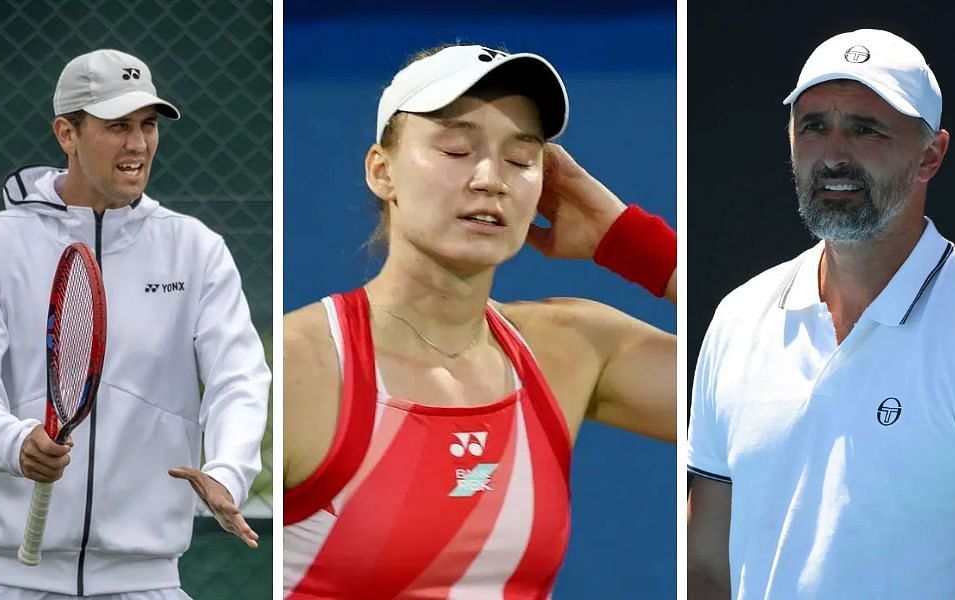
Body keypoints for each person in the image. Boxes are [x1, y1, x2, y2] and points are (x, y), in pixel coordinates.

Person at [687, 29, 955, 599]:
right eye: (814, 126)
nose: (835, 154)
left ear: (930, 156)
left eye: (867, 129)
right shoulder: (737, 318)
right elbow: (705, 571)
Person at [282, 44, 677, 597]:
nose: (492, 178)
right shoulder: (295, 364)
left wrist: (630, 242)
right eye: (456, 148)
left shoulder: (574, 348)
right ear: (381, 171)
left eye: (521, 160)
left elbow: (765, 382)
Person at [0, 49, 270, 599]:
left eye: (148, 125)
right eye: (117, 126)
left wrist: (227, 472)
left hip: (148, 581)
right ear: (67, 133)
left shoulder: (197, 249)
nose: (138, 144)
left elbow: (240, 378)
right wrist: (15, 443)